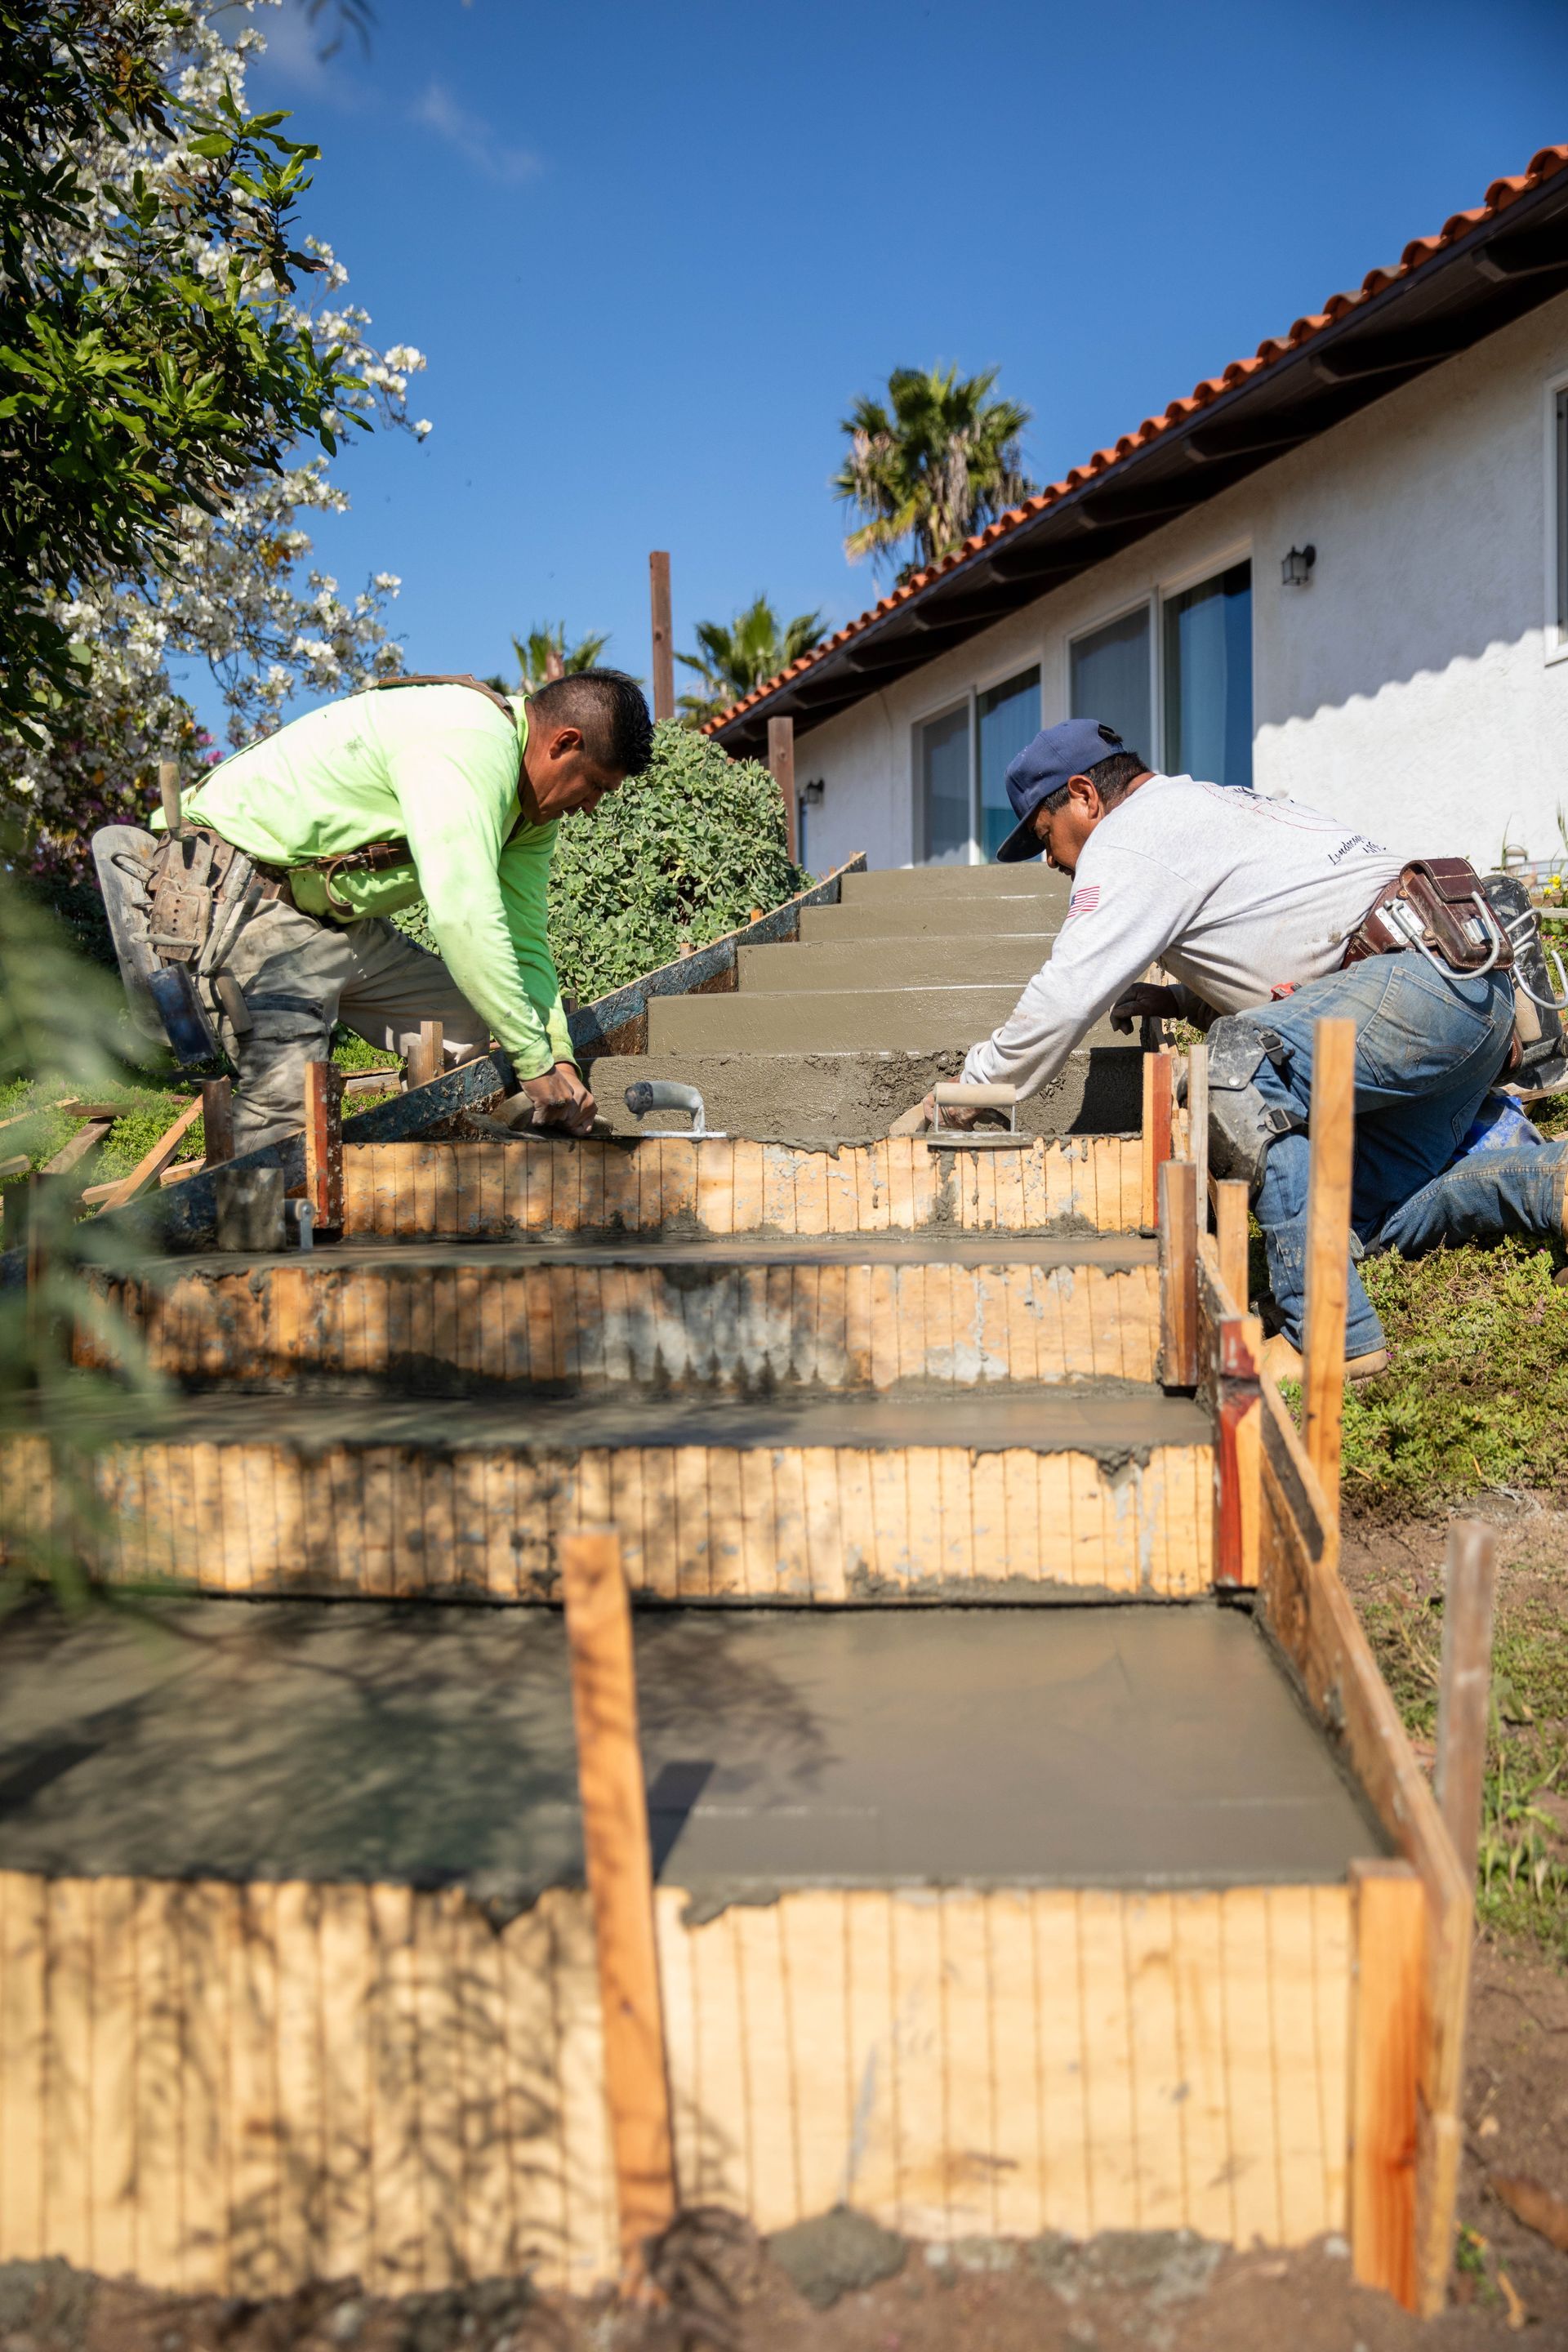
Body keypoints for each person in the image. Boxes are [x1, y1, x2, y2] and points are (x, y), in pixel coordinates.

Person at [922, 716, 1566, 1378]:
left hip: (1417, 989)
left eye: (1044, 837)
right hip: (1471, 997)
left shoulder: (1129, 838)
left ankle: (1326, 1335)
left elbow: (1064, 998)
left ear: (1085, 796)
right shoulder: (1211, 804)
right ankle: (1553, 1183)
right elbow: (1289, 948)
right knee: (1356, 1214)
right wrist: (1179, 1001)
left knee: (1240, 1064)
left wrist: (969, 1094)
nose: (1052, 860)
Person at [96, 669, 652, 1152]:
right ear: (565, 742)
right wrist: (534, 1064)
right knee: (291, 1114)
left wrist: (555, 1059)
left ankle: (442, 1177)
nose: (590, 807)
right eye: (595, 786)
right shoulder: (471, 740)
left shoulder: (532, 818)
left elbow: (524, 940)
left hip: (335, 924)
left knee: (484, 1023)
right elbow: (464, 916)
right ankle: (261, 1257)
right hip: (241, 895)